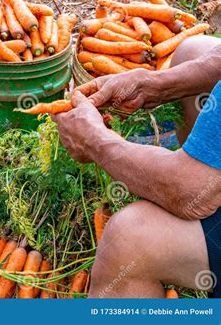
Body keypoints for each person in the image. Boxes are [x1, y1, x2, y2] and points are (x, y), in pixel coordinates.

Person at [52, 35, 221, 298]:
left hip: (193, 191)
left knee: (129, 239)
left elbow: (191, 194)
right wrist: (157, 84)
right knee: (193, 51)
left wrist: (95, 142)